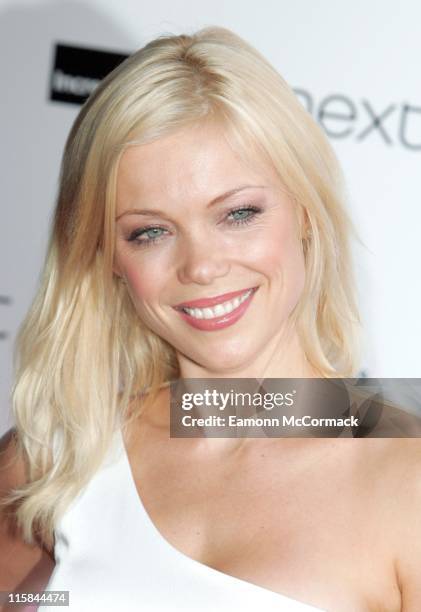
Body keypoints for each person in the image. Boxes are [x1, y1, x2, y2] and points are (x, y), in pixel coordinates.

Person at [1, 25, 421, 612]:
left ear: (305, 212)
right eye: (151, 232)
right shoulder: (53, 457)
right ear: (107, 258)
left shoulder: (407, 480)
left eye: (238, 213)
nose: (200, 266)